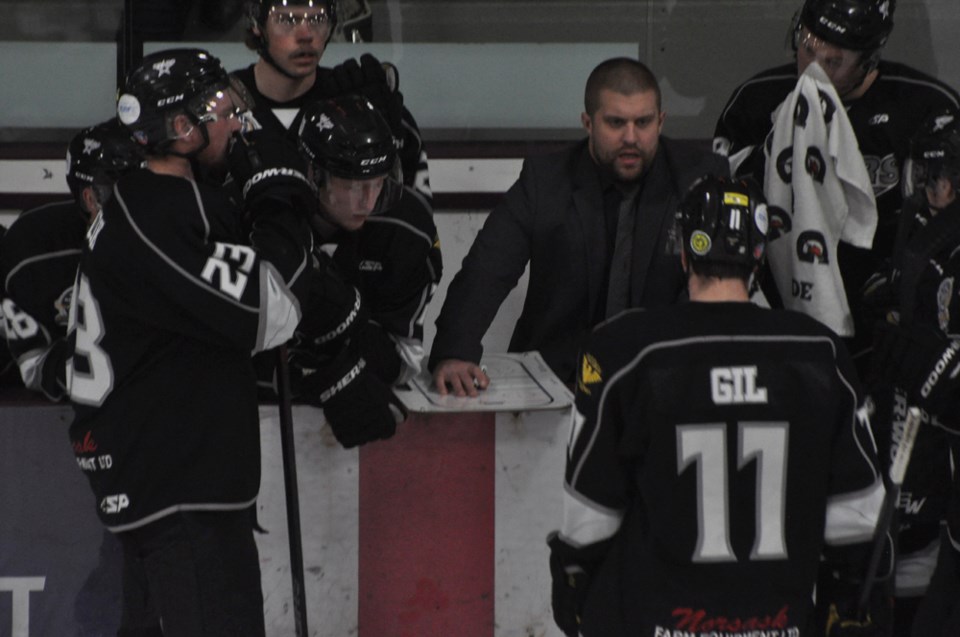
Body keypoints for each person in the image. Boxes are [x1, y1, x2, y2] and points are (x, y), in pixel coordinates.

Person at [547, 175, 887, 637]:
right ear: (759, 257)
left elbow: (590, 513)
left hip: (657, 621)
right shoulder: (819, 354)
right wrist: (847, 595)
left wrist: (575, 578)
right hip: (781, 621)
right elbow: (858, 516)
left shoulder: (626, 351)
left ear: (684, 254)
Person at [66, 47, 315, 635]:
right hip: (180, 491)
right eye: (221, 107)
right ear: (181, 129)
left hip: (164, 484)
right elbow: (272, 312)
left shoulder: (141, 204)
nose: (236, 118)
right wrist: (280, 203)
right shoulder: (162, 211)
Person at [429, 56, 729, 396]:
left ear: (660, 122)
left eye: (643, 122)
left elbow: (718, 291)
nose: (631, 137)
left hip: (663, 378)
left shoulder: (699, 180)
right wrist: (455, 350)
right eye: (616, 123)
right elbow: (486, 270)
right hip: (555, 378)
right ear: (588, 123)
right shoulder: (545, 181)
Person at [713, 0, 959, 367]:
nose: (813, 68)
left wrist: (909, 276)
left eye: (834, 62)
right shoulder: (755, 100)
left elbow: (950, 221)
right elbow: (718, 201)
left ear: (868, 61)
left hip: (889, 329)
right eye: (807, 48)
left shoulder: (926, 108)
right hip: (777, 320)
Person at [253, 93, 435, 448]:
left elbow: (401, 360)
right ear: (313, 174)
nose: (368, 202)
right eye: (353, 186)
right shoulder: (267, 215)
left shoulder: (408, 229)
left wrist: (328, 358)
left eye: (378, 183)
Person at [869, 109, 960, 636]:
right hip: (906, 415)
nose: (930, 188)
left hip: (942, 430)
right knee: (899, 538)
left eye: (942, 177)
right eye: (924, 176)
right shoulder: (916, 228)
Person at [0, 119, 143, 402]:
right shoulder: (31, 253)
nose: (147, 202)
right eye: (131, 190)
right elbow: (34, 365)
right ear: (91, 199)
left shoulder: (175, 239)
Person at [232, 0, 432, 201]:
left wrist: (388, 149)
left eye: (318, 19)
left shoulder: (357, 101)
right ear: (257, 25)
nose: (306, 35)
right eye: (286, 20)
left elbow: (412, 217)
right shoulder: (223, 105)